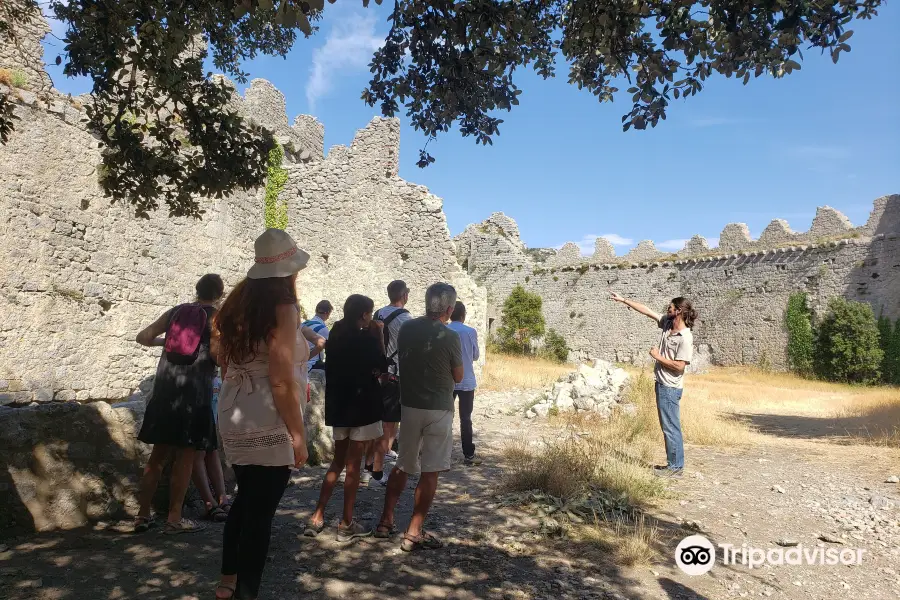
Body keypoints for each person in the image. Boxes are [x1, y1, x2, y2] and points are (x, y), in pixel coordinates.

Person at [213, 229, 311, 600]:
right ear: (289, 271)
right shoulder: (284, 309)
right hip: (267, 412)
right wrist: (298, 435)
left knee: (246, 499)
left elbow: (222, 361)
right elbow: (282, 379)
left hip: (235, 409)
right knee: (261, 512)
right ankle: (246, 593)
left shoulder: (236, 307)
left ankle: (228, 581)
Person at [133, 273, 224, 534]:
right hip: (195, 394)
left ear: (196, 291)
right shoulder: (216, 317)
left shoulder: (175, 313)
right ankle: (174, 518)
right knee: (185, 458)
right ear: (219, 293)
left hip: (165, 391)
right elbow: (217, 356)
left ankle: (142, 515)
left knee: (157, 456)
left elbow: (143, 337)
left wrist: (167, 342)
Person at [376, 283, 463, 552]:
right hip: (438, 408)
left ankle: (385, 522)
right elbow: (458, 376)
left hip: (409, 405)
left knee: (403, 464)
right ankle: (413, 531)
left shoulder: (407, 328)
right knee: (430, 470)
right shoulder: (450, 337)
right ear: (449, 309)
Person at [304, 294, 388, 541]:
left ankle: (317, 516)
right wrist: (379, 335)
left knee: (337, 463)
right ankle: (346, 523)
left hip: (339, 407)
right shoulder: (368, 339)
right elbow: (382, 364)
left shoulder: (336, 333)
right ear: (364, 314)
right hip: (363, 408)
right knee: (353, 467)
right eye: (369, 314)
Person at [609, 292, 696, 478]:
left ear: (679, 311)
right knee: (668, 426)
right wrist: (624, 300)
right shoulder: (667, 323)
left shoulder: (685, 338)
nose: (667, 309)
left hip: (670, 388)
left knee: (671, 427)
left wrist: (657, 357)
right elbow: (647, 311)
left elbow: (680, 367)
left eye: (671, 307)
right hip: (662, 384)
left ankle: (675, 467)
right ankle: (674, 465)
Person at [367, 280, 412, 484]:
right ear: (405, 295)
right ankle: (376, 471)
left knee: (381, 420)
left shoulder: (377, 314)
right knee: (387, 422)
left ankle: (374, 459)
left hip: (378, 372)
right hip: (395, 374)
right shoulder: (406, 320)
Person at [447, 301, 481, 466]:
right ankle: (468, 454)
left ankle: (444, 453)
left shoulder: (445, 330)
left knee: (446, 416)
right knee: (465, 418)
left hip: (448, 380)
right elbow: (475, 355)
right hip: (467, 380)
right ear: (463, 315)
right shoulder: (470, 332)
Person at [303, 300, 332, 372]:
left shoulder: (304, 324)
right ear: (327, 313)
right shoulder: (322, 329)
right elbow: (330, 348)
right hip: (313, 364)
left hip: (301, 362)